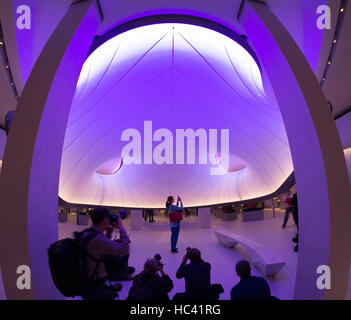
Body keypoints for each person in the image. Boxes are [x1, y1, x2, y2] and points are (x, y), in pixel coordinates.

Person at [81, 207, 130, 300]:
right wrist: (121, 227)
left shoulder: (87, 233)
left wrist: (108, 234)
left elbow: (99, 250)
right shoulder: (97, 239)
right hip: (96, 287)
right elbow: (124, 249)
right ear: (105, 219)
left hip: (87, 283)